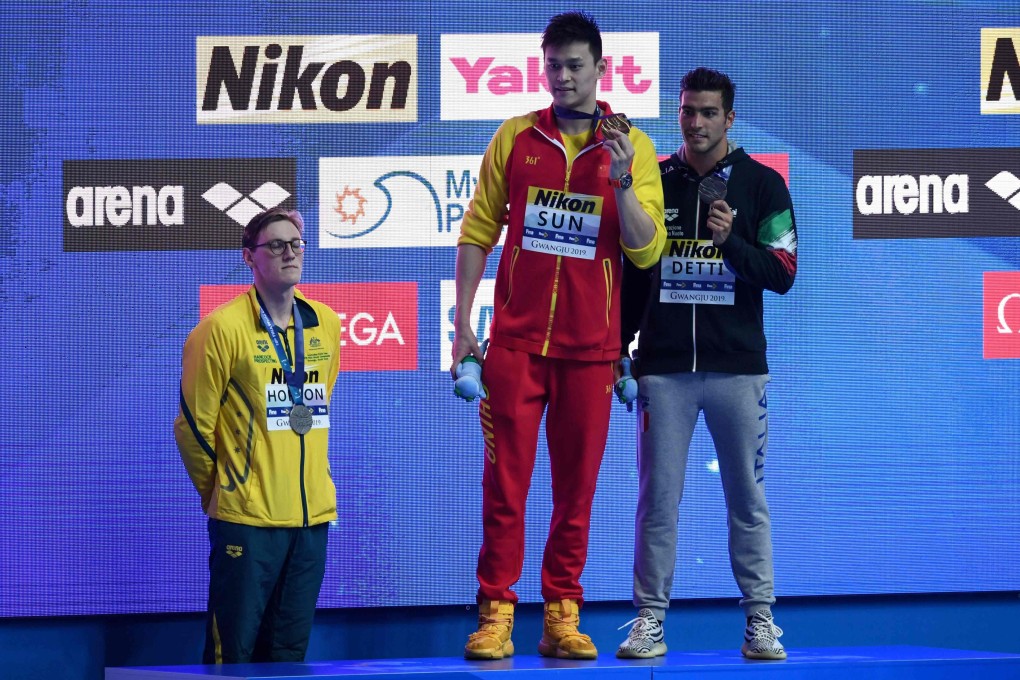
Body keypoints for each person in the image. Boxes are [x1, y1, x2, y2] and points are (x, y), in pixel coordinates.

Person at [451, 10, 666, 661]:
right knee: (504, 490)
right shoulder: (516, 136)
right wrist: (462, 325)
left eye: (575, 66)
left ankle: (561, 615)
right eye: (554, 65)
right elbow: (478, 231)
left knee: (576, 495)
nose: (564, 76)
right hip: (515, 349)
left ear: (601, 69)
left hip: (592, 353)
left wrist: (621, 178)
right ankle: (495, 614)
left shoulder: (634, 146)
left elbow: (646, 249)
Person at [616, 67, 797, 661]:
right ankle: (649, 620)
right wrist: (621, 346)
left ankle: (760, 621)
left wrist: (731, 244)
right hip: (663, 370)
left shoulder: (763, 184)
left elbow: (783, 273)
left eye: (709, 113)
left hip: (738, 371)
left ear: (729, 119)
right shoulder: (655, 181)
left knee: (747, 499)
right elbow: (635, 272)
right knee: (657, 501)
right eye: (688, 111)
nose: (696, 123)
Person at [174, 207, 341, 664]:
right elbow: (193, 427)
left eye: (296, 244)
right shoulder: (219, 330)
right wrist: (226, 491)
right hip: (247, 521)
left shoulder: (326, 324)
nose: (290, 254)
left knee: (288, 655)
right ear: (249, 256)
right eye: (277, 245)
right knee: (233, 655)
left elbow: (317, 408)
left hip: (310, 522)